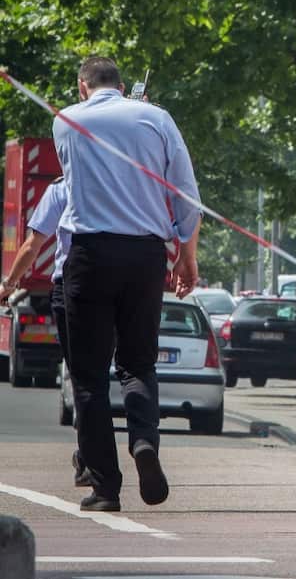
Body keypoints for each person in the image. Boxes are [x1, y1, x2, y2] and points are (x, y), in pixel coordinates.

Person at [53, 57, 201, 512]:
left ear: (82, 86)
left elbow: (75, 182)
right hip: (145, 256)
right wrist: (186, 256)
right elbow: (185, 194)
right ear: (120, 85)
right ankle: (144, 442)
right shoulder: (156, 118)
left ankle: (104, 487)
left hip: (91, 254)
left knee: (90, 377)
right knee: (138, 364)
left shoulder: (66, 122)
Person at [0, 177, 91, 487]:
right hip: (126, 286)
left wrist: (9, 284)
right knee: (132, 370)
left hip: (72, 287)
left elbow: (33, 245)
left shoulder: (62, 188)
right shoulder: (122, 182)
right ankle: (143, 442)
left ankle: (92, 460)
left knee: (84, 379)